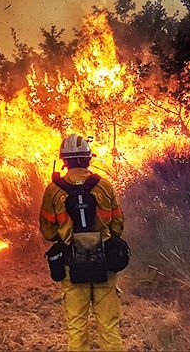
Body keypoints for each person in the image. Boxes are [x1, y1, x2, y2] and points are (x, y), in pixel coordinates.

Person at [39, 134, 125, 351]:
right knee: (109, 327)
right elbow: (117, 226)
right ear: (88, 158)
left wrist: (66, 235)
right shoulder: (105, 186)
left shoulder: (53, 190)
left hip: (71, 266)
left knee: (77, 328)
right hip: (104, 263)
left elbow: (48, 231)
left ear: (64, 161)